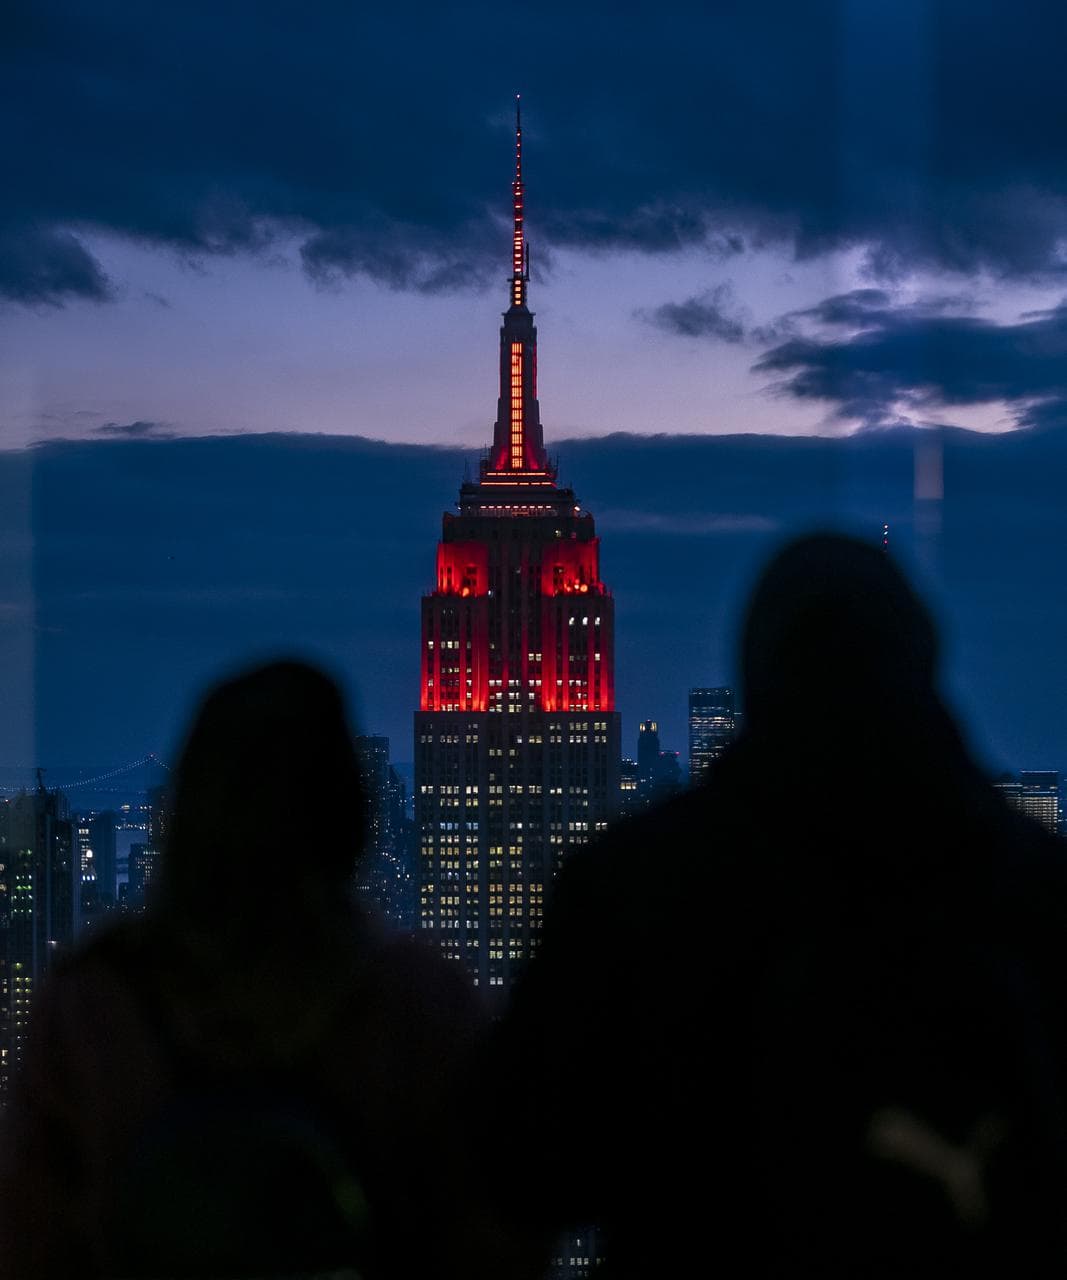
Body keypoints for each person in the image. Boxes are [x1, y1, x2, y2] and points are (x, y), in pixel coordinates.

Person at [487, 533, 1067, 1276]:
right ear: (923, 666)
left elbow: (517, 1172)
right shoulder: (1036, 892)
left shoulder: (636, 890)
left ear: (758, 674)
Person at [0, 661, 518, 1279]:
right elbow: (494, 1240)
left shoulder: (92, 1004)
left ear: (187, 810)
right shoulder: (415, 1002)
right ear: (350, 818)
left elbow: (29, 1239)